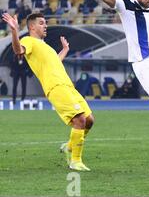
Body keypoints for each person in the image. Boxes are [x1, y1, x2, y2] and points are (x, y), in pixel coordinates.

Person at [2, 12, 95, 171]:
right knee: (79, 120)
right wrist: (14, 31)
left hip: (68, 86)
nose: (45, 26)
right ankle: (75, 161)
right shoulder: (28, 41)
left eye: (45, 23)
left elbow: (55, 63)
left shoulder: (45, 46)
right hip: (55, 87)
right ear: (32, 27)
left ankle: (70, 146)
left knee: (89, 120)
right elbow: (18, 50)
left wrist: (65, 50)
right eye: (41, 23)